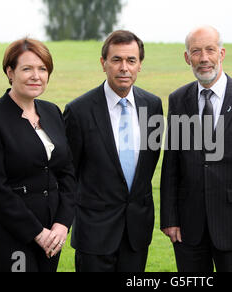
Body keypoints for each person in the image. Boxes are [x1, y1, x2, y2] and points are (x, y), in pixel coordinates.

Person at [160, 26, 232, 272]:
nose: (203, 58)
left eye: (210, 50)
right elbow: (172, 164)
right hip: (188, 229)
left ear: (222, 53)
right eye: (196, 51)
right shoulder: (178, 99)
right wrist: (170, 219)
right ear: (187, 57)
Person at [0, 38, 76, 272]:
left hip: (52, 231)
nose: (36, 76)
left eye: (43, 69)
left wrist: (62, 224)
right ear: (10, 72)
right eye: (27, 68)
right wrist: (37, 233)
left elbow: (67, 172)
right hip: (8, 233)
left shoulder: (52, 111)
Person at [64, 30, 163, 272]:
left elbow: (149, 164)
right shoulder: (78, 111)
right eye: (116, 60)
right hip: (94, 234)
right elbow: (68, 174)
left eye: (131, 60)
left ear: (140, 65)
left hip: (136, 232)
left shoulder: (152, 106)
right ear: (103, 63)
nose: (124, 68)